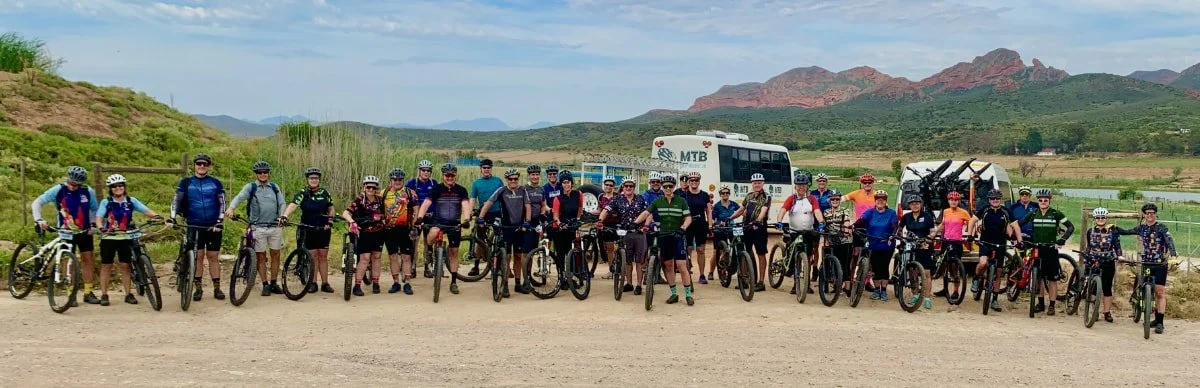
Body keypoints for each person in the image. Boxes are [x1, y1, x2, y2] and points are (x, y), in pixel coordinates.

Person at [31, 166, 100, 306]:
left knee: (88, 259)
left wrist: (93, 224)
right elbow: (37, 202)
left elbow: (94, 209)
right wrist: (38, 219)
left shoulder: (88, 191)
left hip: (84, 231)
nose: (73, 187)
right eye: (70, 183)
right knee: (68, 261)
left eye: (76, 185)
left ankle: (88, 292)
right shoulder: (58, 190)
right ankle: (71, 292)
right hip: (65, 231)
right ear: (67, 179)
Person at [94, 174, 162, 306]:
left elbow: (145, 210)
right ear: (110, 188)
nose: (118, 188)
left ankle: (128, 294)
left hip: (126, 237)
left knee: (126, 266)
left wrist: (156, 216)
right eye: (114, 186)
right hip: (109, 237)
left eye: (120, 185)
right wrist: (101, 227)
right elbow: (99, 217)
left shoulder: (131, 201)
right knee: (106, 266)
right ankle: (104, 294)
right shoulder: (106, 202)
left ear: (124, 187)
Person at [169, 154, 227, 302]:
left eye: (205, 164)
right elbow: (177, 200)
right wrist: (173, 217)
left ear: (208, 166)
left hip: (213, 225)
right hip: (194, 224)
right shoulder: (186, 182)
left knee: (213, 257)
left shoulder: (215, 183)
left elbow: (222, 203)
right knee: (198, 256)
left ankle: (216, 287)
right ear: (194, 165)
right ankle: (198, 288)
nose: (202, 166)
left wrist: (220, 221)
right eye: (199, 164)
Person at [225, 161, 286, 297]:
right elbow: (240, 197)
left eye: (265, 172)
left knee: (276, 255)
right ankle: (265, 284)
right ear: (256, 174)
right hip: (258, 227)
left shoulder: (275, 187)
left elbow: (282, 203)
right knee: (261, 256)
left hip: (275, 226)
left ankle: (274, 282)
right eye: (260, 172)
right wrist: (231, 207)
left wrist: (282, 216)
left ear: (268, 173)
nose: (263, 174)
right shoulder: (251, 187)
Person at [1116, 203, 1178, 334]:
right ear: (1144, 215)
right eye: (1147, 213)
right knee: (1146, 286)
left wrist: (1173, 256)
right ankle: (1142, 301)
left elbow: (1169, 241)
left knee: (1160, 292)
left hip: (1160, 264)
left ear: (1155, 214)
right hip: (1146, 263)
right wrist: (1114, 228)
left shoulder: (1162, 228)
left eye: (1152, 213)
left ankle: (1159, 321)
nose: (1150, 215)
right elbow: (1127, 232)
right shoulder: (1141, 228)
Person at [635, 175, 694, 305]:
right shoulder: (658, 201)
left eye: (670, 186)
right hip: (664, 236)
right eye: (665, 186)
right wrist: (636, 222)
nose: (668, 188)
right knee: (668, 266)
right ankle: (674, 294)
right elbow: (646, 213)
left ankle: (688, 295)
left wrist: (683, 228)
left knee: (681, 265)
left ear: (674, 187)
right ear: (662, 187)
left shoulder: (681, 201)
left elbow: (688, 217)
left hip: (677, 236)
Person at [416, 163, 472, 295]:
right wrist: (419, 217)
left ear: (455, 176)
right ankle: (429, 249)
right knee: (432, 234)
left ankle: (453, 282)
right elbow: (426, 204)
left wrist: (467, 219)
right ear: (443, 176)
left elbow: (465, 205)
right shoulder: (436, 189)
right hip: (439, 222)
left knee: (453, 252)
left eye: (452, 175)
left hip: (454, 224)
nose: (449, 177)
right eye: (447, 175)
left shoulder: (461, 190)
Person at [1018, 189, 1075, 316]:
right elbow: (1019, 223)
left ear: (1049, 201)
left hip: (1050, 249)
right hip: (1037, 249)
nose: (1043, 202)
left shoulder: (1055, 214)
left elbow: (1071, 227)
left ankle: (1052, 305)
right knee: (1039, 278)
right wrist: (1013, 233)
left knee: (1052, 279)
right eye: (1040, 200)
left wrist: (1062, 239)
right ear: (1037, 201)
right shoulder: (1033, 213)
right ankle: (1041, 303)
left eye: (1045, 200)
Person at [280, 167, 336, 294]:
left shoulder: (325, 193)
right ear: (307, 179)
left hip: (323, 228)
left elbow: (331, 208)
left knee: (323, 256)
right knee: (313, 256)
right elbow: (293, 205)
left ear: (319, 179)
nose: (314, 180)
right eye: (311, 178)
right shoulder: (303, 193)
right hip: (308, 228)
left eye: (316, 178)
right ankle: (313, 282)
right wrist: (285, 216)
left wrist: (330, 220)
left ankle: (325, 283)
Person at [478, 168, 530, 297]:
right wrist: (480, 218)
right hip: (506, 228)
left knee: (518, 256)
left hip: (519, 228)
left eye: (515, 179)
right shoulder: (501, 190)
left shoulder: (523, 190)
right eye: (510, 179)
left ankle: (518, 284)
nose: (513, 181)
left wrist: (527, 221)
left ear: (518, 179)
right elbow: (488, 203)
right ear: (507, 180)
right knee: (507, 257)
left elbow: (528, 206)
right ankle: (505, 284)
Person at [966, 189, 1019, 312]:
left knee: (999, 272)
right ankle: (976, 277)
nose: (995, 200)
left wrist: (1015, 239)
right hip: (986, 242)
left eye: (997, 198)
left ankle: (994, 299)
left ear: (1000, 199)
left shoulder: (1006, 211)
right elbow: (972, 220)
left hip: (1000, 243)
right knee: (983, 263)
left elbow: (1012, 226)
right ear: (989, 200)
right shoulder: (984, 209)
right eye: (992, 198)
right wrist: (970, 235)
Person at [776, 172, 825, 294]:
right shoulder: (791, 199)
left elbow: (817, 211)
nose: (801, 187)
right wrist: (779, 221)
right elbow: (783, 210)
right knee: (793, 257)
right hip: (794, 232)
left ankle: (806, 284)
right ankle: (795, 284)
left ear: (807, 186)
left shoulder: (812, 199)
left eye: (804, 185)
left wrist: (821, 222)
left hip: (808, 232)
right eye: (799, 185)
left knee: (807, 258)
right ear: (795, 187)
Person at [598, 177, 648, 294]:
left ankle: (639, 285)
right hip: (625, 233)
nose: (628, 188)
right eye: (626, 186)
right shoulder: (617, 199)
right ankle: (629, 283)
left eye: (631, 186)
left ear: (634, 188)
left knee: (640, 261)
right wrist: (600, 220)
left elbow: (648, 213)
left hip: (639, 232)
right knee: (628, 260)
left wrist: (646, 225)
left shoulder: (641, 199)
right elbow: (606, 209)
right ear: (623, 187)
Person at [343, 176, 386, 296]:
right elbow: (345, 213)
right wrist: (352, 222)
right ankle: (357, 286)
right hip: (364, 233)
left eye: (373, 187)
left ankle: (376, 283)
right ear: (364, 187)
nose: (371, 189)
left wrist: (381, 217)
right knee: (365, 258)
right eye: (368, 187)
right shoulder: (359, 199)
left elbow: (386, 214)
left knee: (377, 257)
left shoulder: (380, 200)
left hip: (378, 232)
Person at [853, 190, 898, 302]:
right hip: (873, 243)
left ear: (886, 201)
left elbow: (894, 225)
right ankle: (877, 289)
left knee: (884, 267)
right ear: (875, 201)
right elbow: (861, 221)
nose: (880, 201)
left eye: (882, 199)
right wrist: (853, 226)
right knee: (876, 267)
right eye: (878, 199)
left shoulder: (891, 213)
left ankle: (884, 290)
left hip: (887, 244)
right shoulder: (870, 212)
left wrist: (892, 234)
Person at [730, 173, 771, 291]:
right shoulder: (749, 196)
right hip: (746, 228)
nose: (757, 184)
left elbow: (764, 210)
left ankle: (761, 282)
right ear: (752, 184)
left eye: (759, 182)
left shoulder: (766, 196)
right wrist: (730, 217)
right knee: (744, 253)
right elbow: (741, 209)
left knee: (761, 254)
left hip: (759, 228)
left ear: (763, 183)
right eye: (755, 183)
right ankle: (744, 279)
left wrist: (758, 220)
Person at [380, 168, 417, 295]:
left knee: (406, 257)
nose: (397, 181)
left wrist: (415, 225)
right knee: (393, 256)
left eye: (400, 179)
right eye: (395, 179)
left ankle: (407, 283)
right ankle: (396, 282)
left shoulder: (409, 192)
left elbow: (416, 209)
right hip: (389, 230)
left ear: (403, 180)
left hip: (405, 229)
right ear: (391, 180)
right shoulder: (383, 193)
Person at [1083, 207, 1121, 324]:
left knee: (1107, 287)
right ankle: (1094, 311)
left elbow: (1117, 245)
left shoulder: (1112, 230)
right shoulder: (1090, 231)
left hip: (1108, 260)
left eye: (1102, 217)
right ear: (1095, 219)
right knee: (1093, 287)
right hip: (1094, 260)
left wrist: (1119, 255)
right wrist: (1086, 256)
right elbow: (1089, 245)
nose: (1100, 219)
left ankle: (1107, 312)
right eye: (1098, 218)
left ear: (1106, 218)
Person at [898, 195, 935, 310]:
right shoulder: (906, 217)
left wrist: (929, 238)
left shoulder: (927, 216)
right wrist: (900, 237)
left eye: (917, 203)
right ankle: (915, 294)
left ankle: (927, 298)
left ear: (921, 204)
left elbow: (933, 231)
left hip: (924, 246)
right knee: (912, 271)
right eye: (912, 203)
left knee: (927, 273)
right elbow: (900, 228)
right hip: (911, 246)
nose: (915, 205)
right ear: (909, 205)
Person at [469, 159, 503, 277]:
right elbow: (473, 199)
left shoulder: (498, 181)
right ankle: (476, 266)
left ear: (491, 169)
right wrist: (469, 213)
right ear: (481, 169)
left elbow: (504, 196)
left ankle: (499, 267)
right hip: (483, 214)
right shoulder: (476, 183)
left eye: (488, 167)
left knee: (500, 239)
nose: (486, 170)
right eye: (484, 168)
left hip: (496, 213)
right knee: (480, 239)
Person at [551, 171, 585, 290]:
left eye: (568, 182)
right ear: (561, 184)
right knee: (561, 254)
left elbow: (580, 207)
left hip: (572, 227)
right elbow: (555, 215)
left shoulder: (578, 194)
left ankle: (570, 277)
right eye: (564, 183)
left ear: (572, 183)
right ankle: (561, 279)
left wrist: (578, 219)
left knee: (571, 253)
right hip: (560, 229)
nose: (567, 185)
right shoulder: (558, 198)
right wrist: (560, 223)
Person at [678, 172, 713, 284]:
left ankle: (702, 274)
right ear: (688, 182)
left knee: (700, 250)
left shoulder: (704, 195)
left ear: (699, 181)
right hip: (688, 224)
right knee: (688, 249)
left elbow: (708, 210)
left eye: (696, 180)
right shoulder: (683, 195)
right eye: (692, 180)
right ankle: (687, 273)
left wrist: (710, 225)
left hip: (700, 223)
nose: (694, 182)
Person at [406, 159, 438, 278]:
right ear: (419, 171)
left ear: (431, 172)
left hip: (431, 216)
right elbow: (407, 199)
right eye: (423, 170)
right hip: (417, 217)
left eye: (428, 170)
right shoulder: (412, 183)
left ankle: (427, 267)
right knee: (414, 242)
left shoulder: (434, 183)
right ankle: (412, 267)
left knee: (428, 242)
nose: (426, 172)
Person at [820, 189, 854, 295]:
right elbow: (823, 225)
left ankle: (847, 288)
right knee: (831, 263)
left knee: (845, 265)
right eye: (832, 199)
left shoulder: (845, 211)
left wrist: (846, 230)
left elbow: (847, 223)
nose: (835, 201)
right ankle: (835, 285)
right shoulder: (826, 212)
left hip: (844, 241)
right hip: (831, 241)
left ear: (840, 200)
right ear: (829, 201)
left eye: (837, 199)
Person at [707, 185, 740, 282]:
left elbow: (741, 211)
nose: (725, 194)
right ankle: (711, 272)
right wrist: (715, 223)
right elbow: (712, 218)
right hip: (720, 230)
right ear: (720, 194)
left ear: (729, 194)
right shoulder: (717, 206)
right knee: (716, 252)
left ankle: (731, 267)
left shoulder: (733, 204)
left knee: (734, 247)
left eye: (726, 193)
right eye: (723, 193)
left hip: (731, 229)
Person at [843, 173, 877, 260]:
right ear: (862, 183)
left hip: (873, 226)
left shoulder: (877, 195)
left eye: (869, 182)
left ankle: (868, 271)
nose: (867, 184)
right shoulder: (856, 193)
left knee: (872, 253)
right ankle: (852, 273)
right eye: (865, 182)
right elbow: (841, 199)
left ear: (873, 183)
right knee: (855, 253)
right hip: (859, 226)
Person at [595, 176, 620, 277]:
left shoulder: (617, 197)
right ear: (603, 185)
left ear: (613, 186)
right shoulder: (601, 196)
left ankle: (620, 268)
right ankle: (611, 270)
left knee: (617, 247)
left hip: (616, 223)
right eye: (606, 185)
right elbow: (599, 210)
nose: (608, 187)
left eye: (611, 185)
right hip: (604, 224)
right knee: (609, 248)